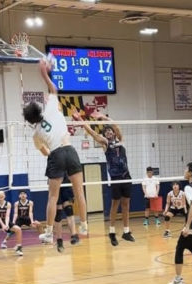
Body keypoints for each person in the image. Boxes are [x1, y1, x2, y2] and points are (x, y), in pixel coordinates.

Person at [24, 59, 88, 244]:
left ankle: (50, 233)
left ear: (30, 119)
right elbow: (53, 90)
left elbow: (44, 151)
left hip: (56, 154)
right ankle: (83, 225)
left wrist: (52, 157)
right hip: (71, 150)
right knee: (79, 193)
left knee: (53, 197)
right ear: (39, 109)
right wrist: (44, 74)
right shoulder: (51, 109)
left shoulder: (36, 133)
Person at [72, 110, 135, 247]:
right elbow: (93, 133)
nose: (109, 133)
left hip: (126, 176)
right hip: (115, 178)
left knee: (126, 204)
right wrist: (81, 121)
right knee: (115, 205)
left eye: (110, 131)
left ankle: (126, 231)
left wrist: (103, 117)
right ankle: (112, 232)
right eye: (106, 132)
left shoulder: (120, 140)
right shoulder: (105, 143)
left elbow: (116, 126)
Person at [51, 175, 80, 253]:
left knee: (69, 210)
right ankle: (59, 240)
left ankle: (74, 235)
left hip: (66, 184)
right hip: (55, 184)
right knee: (58, 214)